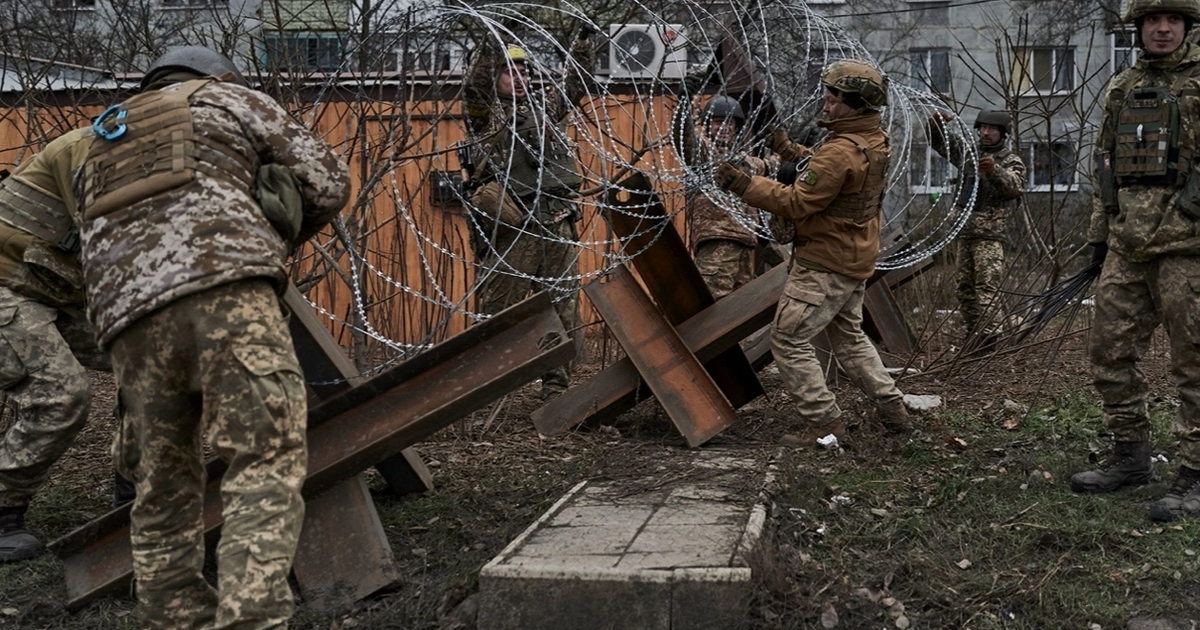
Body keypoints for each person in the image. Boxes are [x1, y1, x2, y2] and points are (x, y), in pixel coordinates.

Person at [76, 45, 350, 628]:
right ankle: (251, 620)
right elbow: (328, 184)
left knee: (161, 486)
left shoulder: (100, 137)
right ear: (218, 76)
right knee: (262, 457)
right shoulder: (229, 98)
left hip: (127, 320)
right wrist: (273, 225)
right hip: (225, 290)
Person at [714, 59, 910, 441]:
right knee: (849, 339)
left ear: (854, 103)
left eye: (833, 99)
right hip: (852, 257)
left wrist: (744, 184)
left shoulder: (840, 152)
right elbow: (825, 172)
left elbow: (797, 202)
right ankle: (893, 409)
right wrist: (786, 148)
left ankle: (823, 422)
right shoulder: (871, 140)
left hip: (824, 263)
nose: (825, 104)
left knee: (789, 338)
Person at [1070, 0, 1200, 523]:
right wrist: (1100, 239)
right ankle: (1130, 457)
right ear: (1140, 27)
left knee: (1193, 361)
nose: (1162, 29)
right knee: (1108, 350)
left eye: (1172, 21)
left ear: (1188, 26)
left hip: (1188, 246)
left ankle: (1195, 474)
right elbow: (1105, 162)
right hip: (1128, 242)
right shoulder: (1122, 86)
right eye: (1152, 20)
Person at [462, 28, 596, 400]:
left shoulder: (544, 110)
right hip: (513, 227)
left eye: (523, 71)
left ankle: (557, 388)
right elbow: (474, 89)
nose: (519, 78)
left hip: (555, 221)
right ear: (495, 76)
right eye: (509, 71)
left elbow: (576, 83)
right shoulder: (485, 117)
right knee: (501, 311)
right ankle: (485, 391)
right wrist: (491, 40)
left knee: (563, 306)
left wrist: (582, 42)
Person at [0, 127, 100, 563]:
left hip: (52, 288)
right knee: (61, 393)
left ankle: (135, 486)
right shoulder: (89, 147)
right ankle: (3, 508)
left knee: (153, 361)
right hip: (6, 283)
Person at [928, 109, 1026, 348]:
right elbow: (943, 144)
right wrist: (935, 125)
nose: (985, 133)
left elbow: (1015, 187)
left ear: (1003, 134)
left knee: (986, 288)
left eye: (992, 129)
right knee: (964, 289)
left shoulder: (1010, 160)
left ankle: (989, 338)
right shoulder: (970, 154)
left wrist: (993, 170)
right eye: (982, 128)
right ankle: (975, 333)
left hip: (989, 236)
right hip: (965, 232)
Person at [676, 94, 778, 299]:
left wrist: (794, 147)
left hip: (746, 244)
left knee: (741, 309)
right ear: (707, 125)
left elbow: (772, 165)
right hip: (718, 239)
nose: (724, 127)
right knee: (714, 303)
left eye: (729, 122)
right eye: (717, 121)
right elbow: (685, 140)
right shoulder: (703, 153)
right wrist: (682, 107)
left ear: (736, 128)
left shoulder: (743, 160)